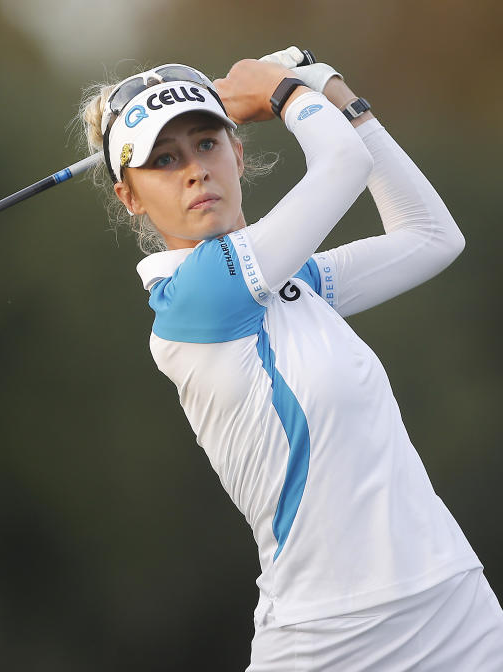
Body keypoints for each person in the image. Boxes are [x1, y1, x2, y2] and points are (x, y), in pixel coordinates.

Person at [79, 48, 503, 669]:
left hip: (453, 607)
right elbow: (342, 164)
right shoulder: (195, 302)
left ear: (238, 154)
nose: (195, 171)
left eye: (206, 144)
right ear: (130, 198)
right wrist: (286, 93)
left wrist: (336, 94)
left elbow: (431, 237)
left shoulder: (292, 283)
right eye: (164, 161)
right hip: (330, 639)